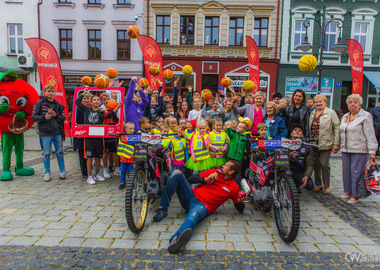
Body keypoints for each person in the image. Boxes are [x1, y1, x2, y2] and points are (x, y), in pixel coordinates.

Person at [152, 160, 245, 253]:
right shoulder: (214, 172)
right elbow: (191, 178)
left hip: (202, 206)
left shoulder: (234, 187)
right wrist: (205, 179)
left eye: (226, 165)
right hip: (190, 196)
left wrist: (240, 201)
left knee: (192, 218)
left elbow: (239, 208)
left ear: (231, 172)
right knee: (176, 173)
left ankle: (175, 240)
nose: (223, 166)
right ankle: (163, 209)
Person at [340, 94, 378, 204]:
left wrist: (372, 150)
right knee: (346, 171)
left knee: (356, 172)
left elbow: (370, 134)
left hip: (360, 149)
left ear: (360, 104)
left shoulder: (365, 116)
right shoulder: (346, 116)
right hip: (346, 148)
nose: (352, 104)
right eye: (350, 102)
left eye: (355, 102)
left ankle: (356, 195)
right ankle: (349, 192)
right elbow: (341, 131)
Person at [75, 89, 115, 184]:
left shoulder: (101, 111)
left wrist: (118, 107)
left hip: (99, 137)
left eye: (98, 100)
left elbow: (109, 115)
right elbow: (77, 101)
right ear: (91, 102)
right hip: (89, 137)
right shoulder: (86, 109)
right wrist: (83, 93)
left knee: (98, 157)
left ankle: (97, 174)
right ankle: (89, 175)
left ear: (99, 102)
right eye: (94, 100)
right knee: (89, 157)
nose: (96, 101)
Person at [31, 85, 66, 182]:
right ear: (45, 92)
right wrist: (43, 117)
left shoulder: (58, 105)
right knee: (46, 153)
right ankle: (47, 172)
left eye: (52, 91)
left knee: (60, 152)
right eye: (48, 91)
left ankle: (62, 171)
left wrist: (56, 115)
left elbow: (63, 118)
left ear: (54, 92)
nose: (50, 93)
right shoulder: (39, 103)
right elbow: (33, 117)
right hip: (45, 133)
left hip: (57, 132)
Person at [309, 94, 340, 194]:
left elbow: (337, 128)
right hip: (314, 143)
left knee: (324, 164)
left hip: (326, 142)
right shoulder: (313, 113)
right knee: (316, 164)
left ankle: (327, 185)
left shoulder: (331, 113)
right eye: (316, 102)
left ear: (325, 102)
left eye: (320, 102)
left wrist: (336, 143)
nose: (318, 103)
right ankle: (318, 184)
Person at [288, 125, 315, 191]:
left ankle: (297, 185)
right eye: (295, 130)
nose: (297, 132)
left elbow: (310, 164)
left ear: (302, 135)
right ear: (291, 133)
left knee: (310, 185)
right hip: (286, 170)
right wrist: (288, 156)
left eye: (299, 131)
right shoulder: (284, 144)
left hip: (299, 170)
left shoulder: (307, 147)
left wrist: (307, 176)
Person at [73, 91, 92, 178]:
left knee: (89, 152)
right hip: (81, 133)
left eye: (88, 98)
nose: (87, 100)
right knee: (81, 152)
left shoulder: (93, 108)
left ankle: (89, 170)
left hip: (90, 133)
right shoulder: (79, 108)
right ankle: (83, 171)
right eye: (85, 98)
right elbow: (76, 121)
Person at [117, 122, 135, 190]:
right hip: (123, 158)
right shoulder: (122, 136)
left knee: (131, 171)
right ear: (126, 129)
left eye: (133, 128)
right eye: (130, 129)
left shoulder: (135, 137)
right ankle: (122, 181)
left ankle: (131, 182)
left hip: (131, 158)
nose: (132, 130)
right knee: (123, 171)